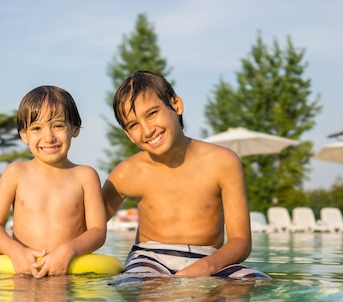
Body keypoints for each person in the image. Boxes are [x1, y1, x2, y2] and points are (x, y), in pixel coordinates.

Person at [103, 70, 268, 279]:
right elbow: (88, 227)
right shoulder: (127, 173)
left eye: (152, 113)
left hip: (210, 257)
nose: (147, 131)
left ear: (176, 105)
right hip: (149, 258)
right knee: (139, 284)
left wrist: (206, 267)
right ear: (128, 134)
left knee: (256, 282)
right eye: (134, 125)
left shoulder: (223, 162)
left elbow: (241, 241)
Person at [0, 85, 107, 277]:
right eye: (37, 128)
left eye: (58, 126)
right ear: (24, 135)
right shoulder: (15, 173)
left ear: (75, 129)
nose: (49, 137)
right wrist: (13, 250)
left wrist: (68, 250)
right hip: (21, 269)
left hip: (68, 271)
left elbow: (98, 231)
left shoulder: (85, 176)